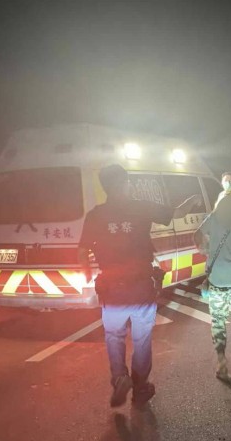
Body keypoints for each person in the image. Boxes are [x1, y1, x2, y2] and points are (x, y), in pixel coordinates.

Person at [78, 164, 202, 407]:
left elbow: (82, 250)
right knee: (141, 339)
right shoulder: (141, 207)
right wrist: (194, 199)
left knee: (114, 335)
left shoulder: (95, 215)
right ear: (125, 184)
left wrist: (86, 275)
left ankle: (119, 377)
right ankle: (140, 387)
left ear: (105, 187)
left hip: (112, 288)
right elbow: (177, 213)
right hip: (141, 287)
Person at [194, 209, 231, 380]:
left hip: (217, 281)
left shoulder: (214, 217)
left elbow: (197, 235)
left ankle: (221, 363)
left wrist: (205, 250)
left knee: (218, 323)